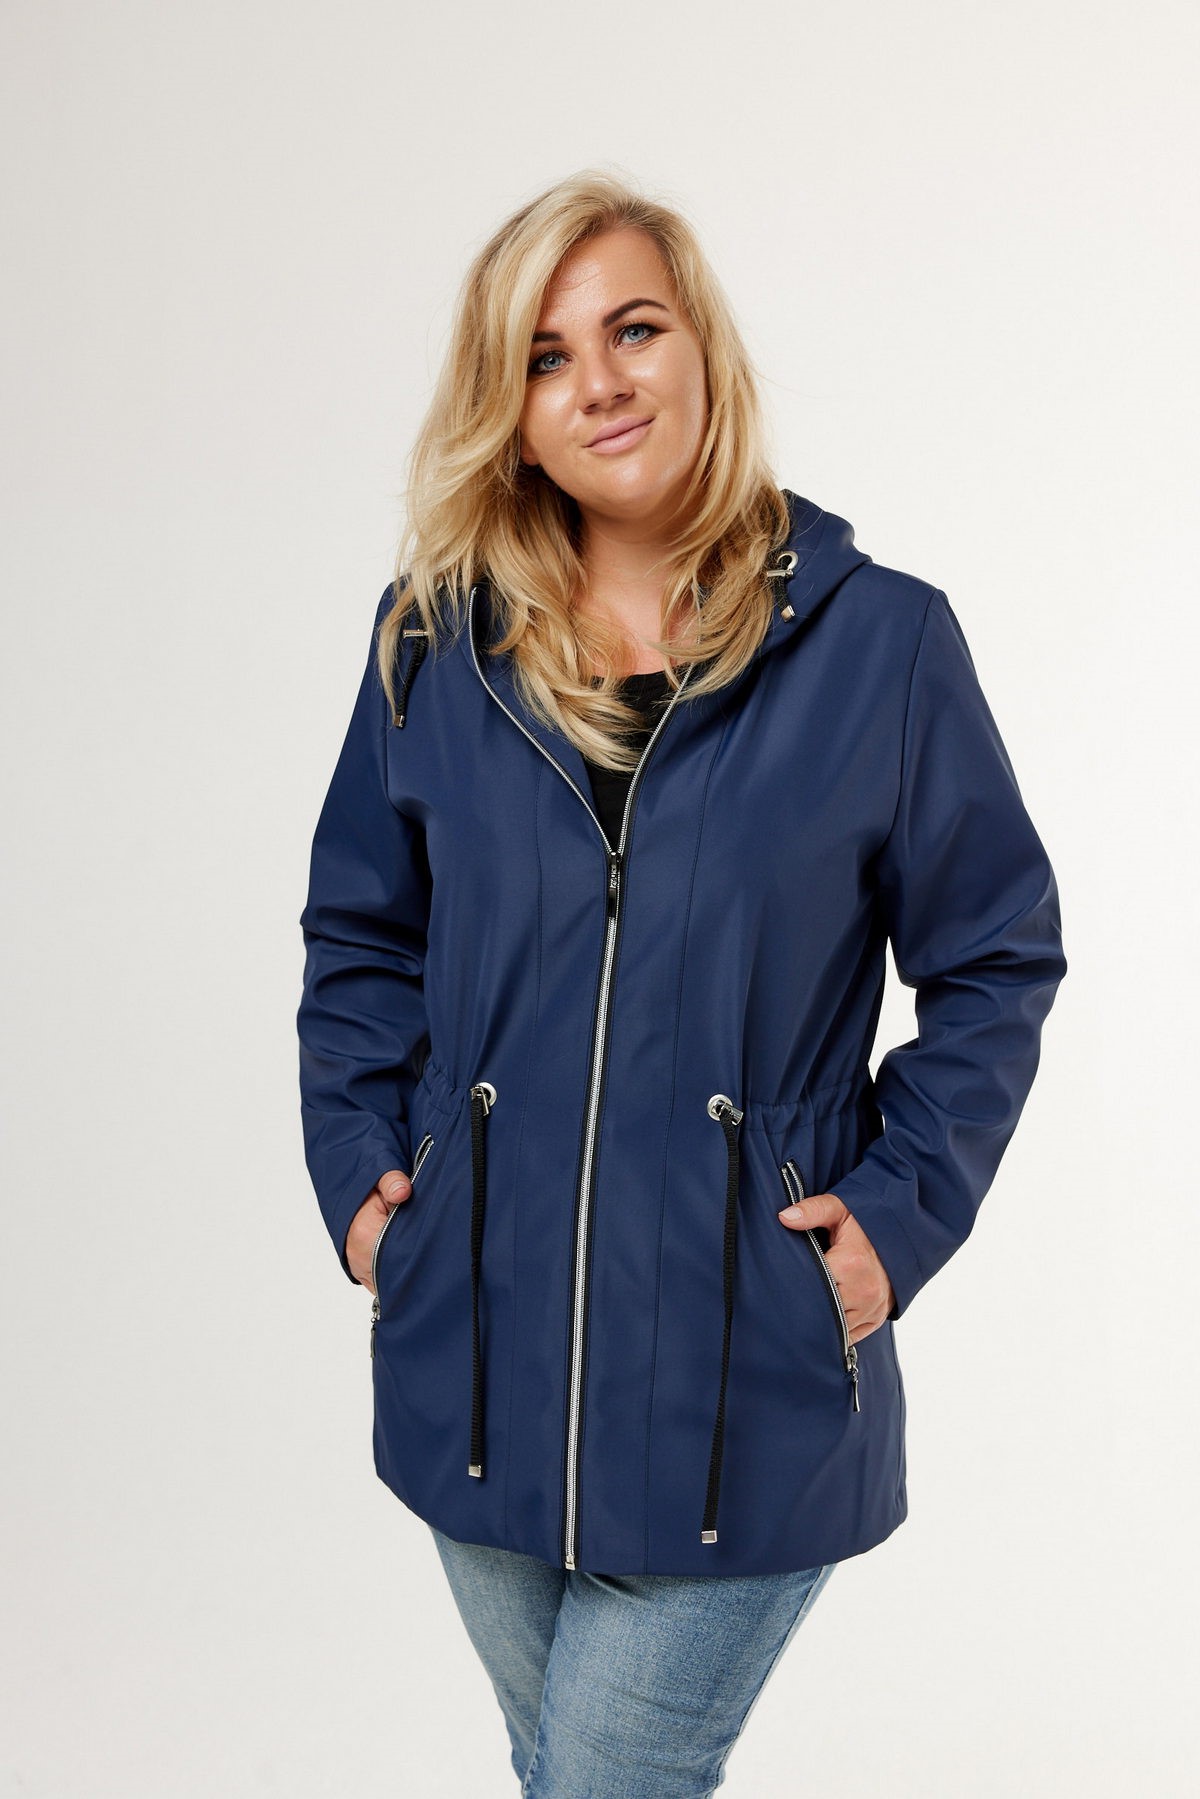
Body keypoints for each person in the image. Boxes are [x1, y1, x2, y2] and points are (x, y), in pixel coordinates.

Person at [296, 169, 1068, 1796]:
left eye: (634, 329)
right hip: (474, 1357)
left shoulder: (881, 648)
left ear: (702, 346)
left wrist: (896, 1217)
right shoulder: (434, 649)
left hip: (742, 1382)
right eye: (546, 357)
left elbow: (995, 954)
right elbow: (362, 938)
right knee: (563, 1771)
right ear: (513, 418)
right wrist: (367, 1188)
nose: (601, 381)